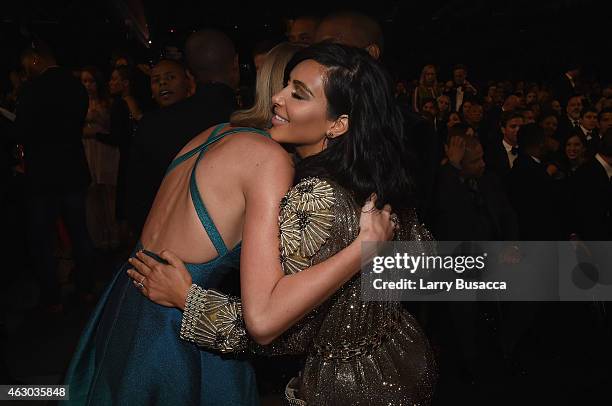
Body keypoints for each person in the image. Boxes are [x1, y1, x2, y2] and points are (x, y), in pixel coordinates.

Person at [64, 42, 399, 405]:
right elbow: (269, 321)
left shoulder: (215, 132)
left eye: (297, 94)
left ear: (338, 122)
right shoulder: (272, 163)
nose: (278, 98)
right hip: (175, 325)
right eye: (285, 84)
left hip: (127, 298)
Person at [125, 29, 240, 237]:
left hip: (169, 240)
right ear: (235, 64)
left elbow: (136, 199)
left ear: (189, 76)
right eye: (156, 79)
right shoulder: (246, 119)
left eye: (170, 77)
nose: (163, 84)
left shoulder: (152, 125)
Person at [15, 41, 96, 312]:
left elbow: (21, 131)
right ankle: (86, 288)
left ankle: (52, 297)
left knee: (43, 238)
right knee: (79, 231)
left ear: (36, 59)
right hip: (72, 168)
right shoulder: (76, 87)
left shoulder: (31, 90)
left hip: (41, 176)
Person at [80, 66, 120, 250]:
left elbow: (111, 127)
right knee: (93, 193)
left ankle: (115, 234)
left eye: (91, 81)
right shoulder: (79, 103)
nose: (87, 85)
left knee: (109, 192)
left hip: (105, 149)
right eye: (84, 81)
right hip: (89, 150)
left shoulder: (107, 102)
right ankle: (99, 237)